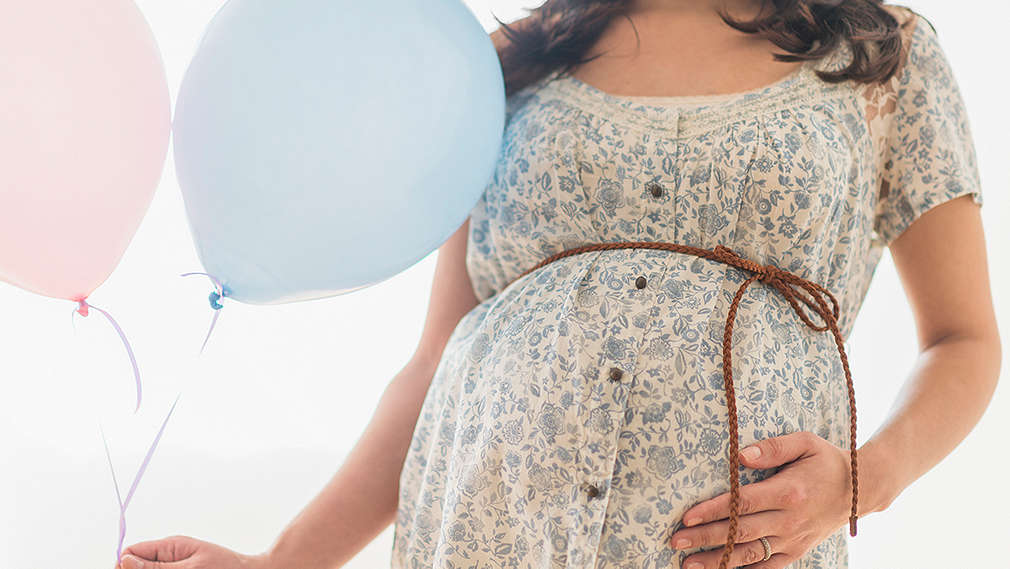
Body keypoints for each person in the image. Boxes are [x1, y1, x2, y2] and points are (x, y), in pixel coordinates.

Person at [114, 1, 1001, 568]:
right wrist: (281, 564)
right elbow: (435, 360)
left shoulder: (883, 55)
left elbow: (962, 340)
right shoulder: (508, 61)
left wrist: (866, 480)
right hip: (488, 531)